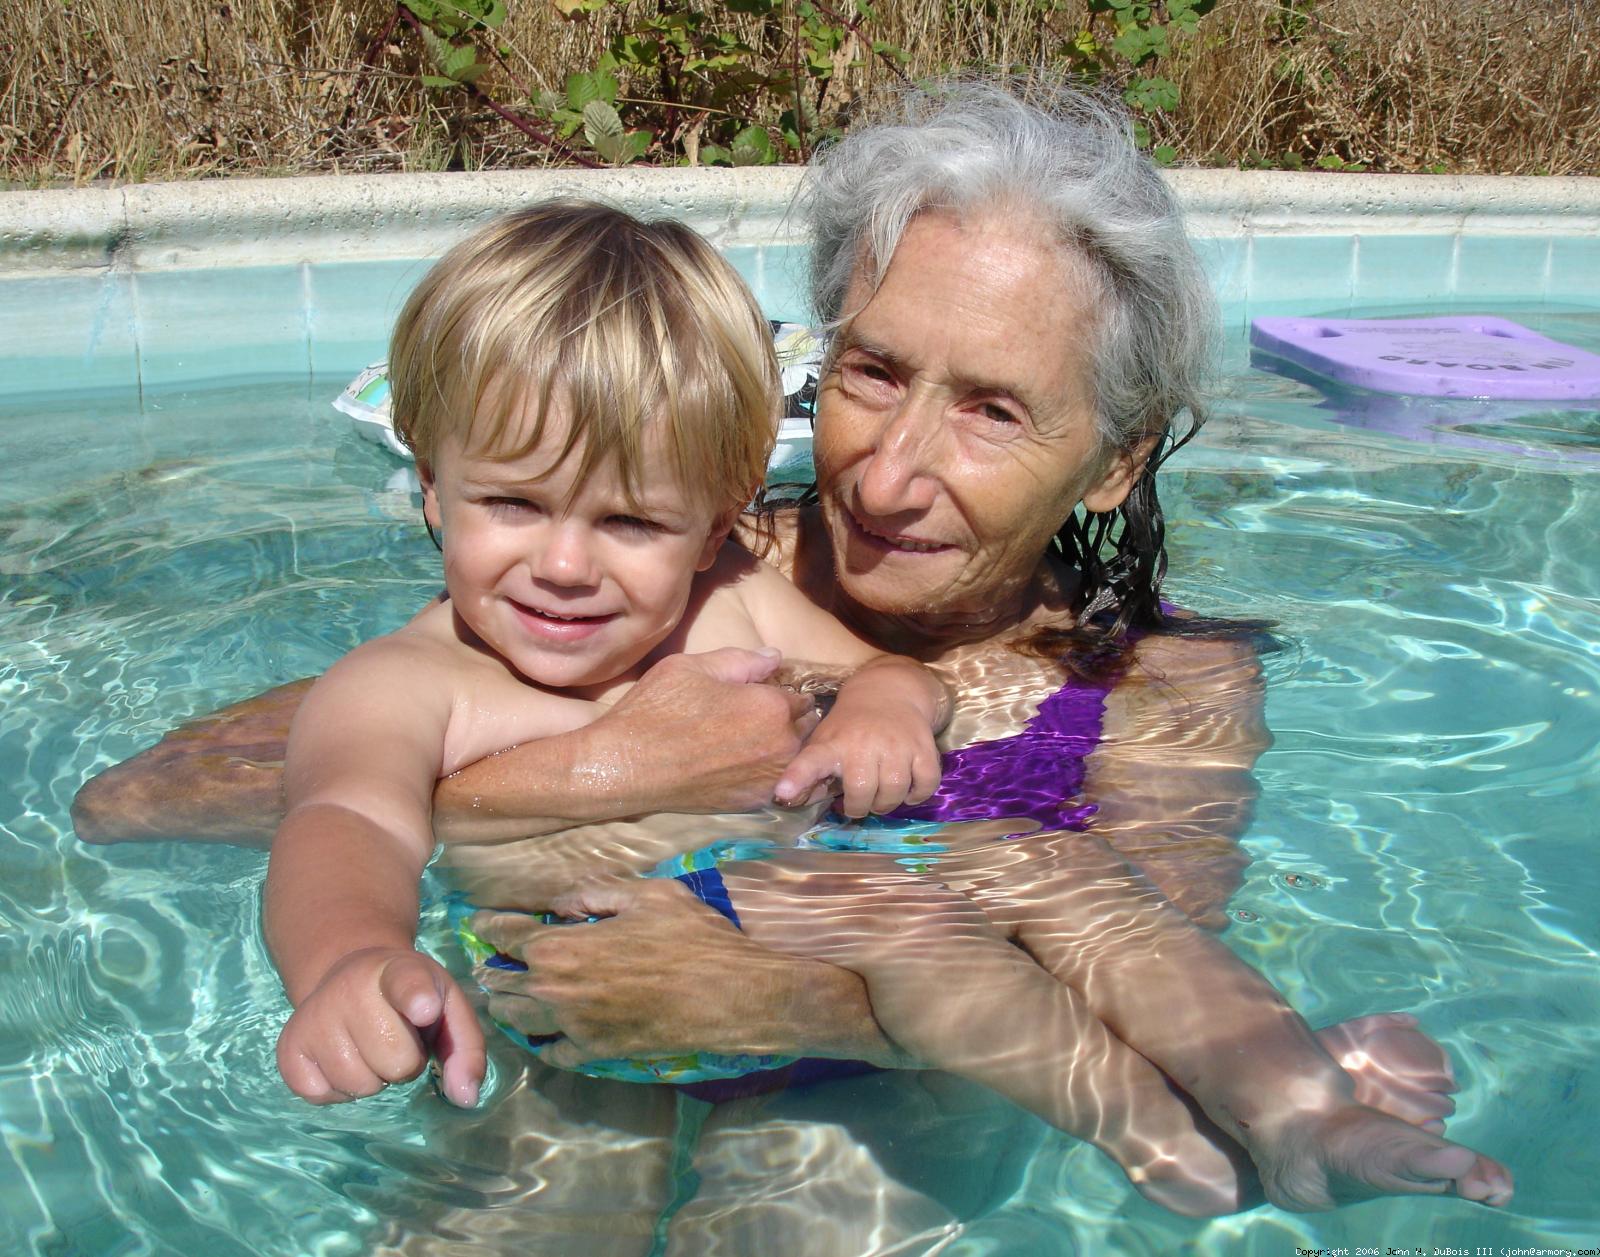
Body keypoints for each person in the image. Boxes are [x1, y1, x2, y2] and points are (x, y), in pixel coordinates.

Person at [72, 82, 1511, 1218]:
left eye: (997, 410)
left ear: (1114, 461)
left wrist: (807, 984)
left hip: (888, 1089)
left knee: (843, 1146)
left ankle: (1297, 1105)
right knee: (536, 1196)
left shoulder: (1166, 684)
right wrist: (597, 769)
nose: (886, 478)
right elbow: (157, 800)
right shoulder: (689, 558)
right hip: (565, 1011)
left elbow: (1152, 932)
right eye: (874, 374)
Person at [267, 199, 952, 1113]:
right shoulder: (404, 689)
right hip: (559, 1041)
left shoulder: (732, 599)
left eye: (628, 521)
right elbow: (346, 825)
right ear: (432, 484)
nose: (562, 566)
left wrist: (886, 707)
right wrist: (349, 959)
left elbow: (892, 673)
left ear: (715, 524)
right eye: (512, 503)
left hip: (793, 1009)